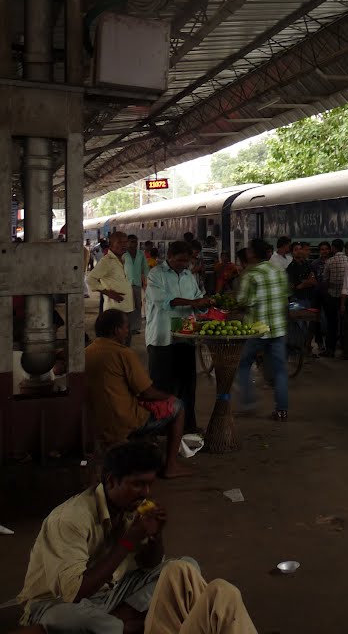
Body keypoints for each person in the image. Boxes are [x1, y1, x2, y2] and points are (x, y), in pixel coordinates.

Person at [16, 442, 257, 633]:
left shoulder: (131, 508)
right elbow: (74, 593)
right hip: (58, 604)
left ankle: (119, 624)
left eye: (149, 484)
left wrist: (155, 536)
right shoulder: (69, 519)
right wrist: (129, 540)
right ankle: (126, 624)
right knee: (73, 619)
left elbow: (149, 564)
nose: (146, 493)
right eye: (137, 484)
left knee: (185, 567)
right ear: (111, 481)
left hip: (112, 593)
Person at [84, 310, 191, 478]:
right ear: (116, 330)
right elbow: (147, 392)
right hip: (122, 421)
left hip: (94, 422)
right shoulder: (123, 353)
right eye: (126, 327)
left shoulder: (87, 352)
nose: (128, 331)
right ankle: (171, 466)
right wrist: (168, 397)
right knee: (178, 406)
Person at [145, 241, 213, 435]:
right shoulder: (156, 274)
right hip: (162, 337)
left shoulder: (188, 276)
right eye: (180, 260)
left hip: (185, 337)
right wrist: (194, 302)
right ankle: (160, 427)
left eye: (187, 261)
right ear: (170, 257)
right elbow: (165, 301)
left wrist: (203, 304)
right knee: (161, 385)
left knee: (187, 385)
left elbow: (199, 298)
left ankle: (187, 425)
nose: (184, 264)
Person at [235, 238, 290, 421]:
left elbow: (243, 301)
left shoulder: (250, 275)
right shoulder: (278, 271)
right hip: (277, 328)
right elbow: (285, 297)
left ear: (252, 254)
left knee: (243, 364)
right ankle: (281, 410)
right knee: (280, 370)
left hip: (257, 330)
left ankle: (249, 402)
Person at [88, 232, 134, 333]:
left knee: (125, 340)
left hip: (126, 307)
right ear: (111, 244)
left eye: (126, 242)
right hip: (114, 309)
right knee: (115, 338)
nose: (124, 244)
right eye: (120, 242)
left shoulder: (124, 258)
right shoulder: (107, 261)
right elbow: (91, 279)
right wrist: (108, 293)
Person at [322, 239, 348, 358]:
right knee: (345, 324)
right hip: (345, 297)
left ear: (333, 248)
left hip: (332, 296)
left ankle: (330, 350)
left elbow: (325, 279)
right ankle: (345, 349)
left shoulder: (330, 261)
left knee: (331, 323)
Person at [124, 234, 148, 335]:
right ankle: (126, 326)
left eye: (135, 242)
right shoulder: (123, 254)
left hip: (137, 283)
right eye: (132, 241)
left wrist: (146, 282)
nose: (134, 244)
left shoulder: (140, 254)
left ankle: (135, 327)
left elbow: (145, 268)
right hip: (125, 284)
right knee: (127, 306)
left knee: (138, 305)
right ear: (127, 242)